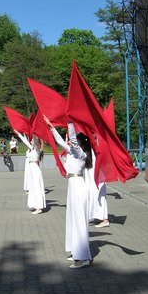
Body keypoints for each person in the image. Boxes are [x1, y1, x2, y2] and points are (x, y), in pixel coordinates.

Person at [45, 115, 92, 269]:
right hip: (72, 186)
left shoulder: (81, 154)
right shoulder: (72, 152)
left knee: (79, 221)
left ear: (80, 143)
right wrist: (51, 126)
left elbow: (71, 140)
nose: (72, 143)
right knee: (72, 220)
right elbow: (60, 141)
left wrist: (71, 123)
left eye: (75, 141)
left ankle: (83, 258)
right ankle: (75, 251)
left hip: (79, 186)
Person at [14, 130, 46, 215]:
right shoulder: (32, 149)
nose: (31, 141)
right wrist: (18, 134)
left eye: (32, 140)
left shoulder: (37, 149)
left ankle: (39, 207)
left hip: (35, 170)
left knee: (37, 187)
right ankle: (35, 205)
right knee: (33, 188)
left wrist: (34, 131)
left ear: (36, 143)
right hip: (32, 170)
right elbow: (25, 141)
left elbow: (36, 140)